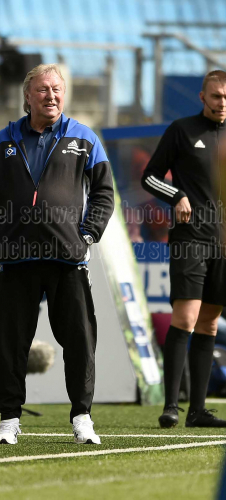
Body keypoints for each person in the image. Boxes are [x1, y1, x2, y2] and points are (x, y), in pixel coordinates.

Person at [0, 64, 114, 444]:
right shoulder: (1, 143)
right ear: (27, 96)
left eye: (56, 89)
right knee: (11, 343)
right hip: (17, 260)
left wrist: (88, 233)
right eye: (42, 90)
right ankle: (8, 421)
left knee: (80, 341)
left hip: (69, 259)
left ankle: (82, 417)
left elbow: (103, 193)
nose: (50, 96)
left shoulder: (84, 138)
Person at [141, 70, 226, 428]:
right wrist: (177, 195)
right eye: (217, 96)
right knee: (186, 319)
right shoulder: (182, 129)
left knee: (208, 323)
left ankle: (198, 411)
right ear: (202, 97)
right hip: (190, 238)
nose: (223, 103)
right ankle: (171, 406)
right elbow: (149, 176)